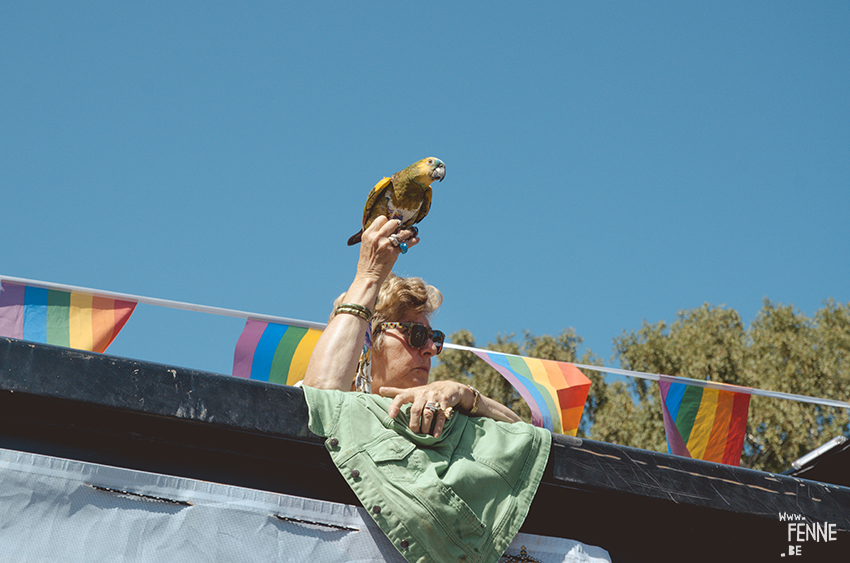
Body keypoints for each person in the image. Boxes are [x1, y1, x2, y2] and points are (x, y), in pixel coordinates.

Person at [303, 215, 521, 438]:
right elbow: (316, 408)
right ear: (364, 343)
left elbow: (525, 436)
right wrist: (369, 276)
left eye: (434, 337)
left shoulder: (437, 415)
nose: (432, 349)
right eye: (416, 334)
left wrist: (467, 396)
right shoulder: (327, 400)